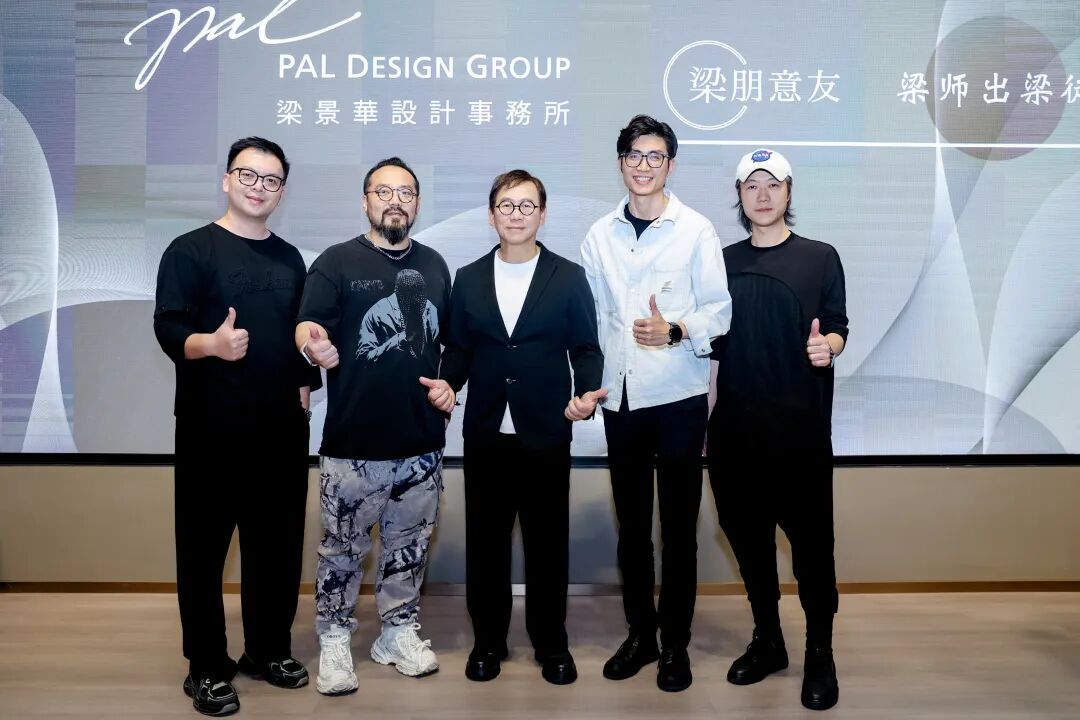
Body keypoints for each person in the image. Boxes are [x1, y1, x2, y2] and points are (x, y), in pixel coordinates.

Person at [154, 136, 318, 716]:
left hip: (281, 429)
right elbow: (168, 328)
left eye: (271, 180)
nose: (259, 187)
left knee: (276, 548)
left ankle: (268, 649)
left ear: (281, 192)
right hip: (211, 428)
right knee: (203, 551)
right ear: (227, 180)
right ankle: (205, 665)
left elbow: (300, 331)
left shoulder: (291, 258)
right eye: (249, 175)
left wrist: (307, 379)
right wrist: (212, 344)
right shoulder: (189, 250)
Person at [430, 170, 604, 685]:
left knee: (547, 543)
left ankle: (552, 643)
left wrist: (585, 393)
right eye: (506, 205)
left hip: (546, 432)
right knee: (486, 544)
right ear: (491, 215)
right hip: (487, 433)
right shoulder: (468, 277)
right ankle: (488, 641)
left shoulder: (568, 277)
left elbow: (586, 349)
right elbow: (459, 348)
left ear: (542, 215)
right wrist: (448, 384)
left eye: (527, 206)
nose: (516, 215)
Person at [580, 115, 731, 692]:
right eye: (634, 156)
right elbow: (593, 322)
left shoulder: (695, 230)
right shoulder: (599, 235)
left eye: (655, 156)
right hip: (620, 400)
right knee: (633, 530)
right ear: (621, 163)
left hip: (677, 398)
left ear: (670, 164)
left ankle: (676, 647)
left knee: (679, 531)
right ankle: (641, 635)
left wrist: (676, 330)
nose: (644, 166)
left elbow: (719, 310)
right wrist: (587, 384)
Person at [295, 157, 451, 696]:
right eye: (383, 192)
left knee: (409, 547)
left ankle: (397, 632)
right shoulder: (336, 262)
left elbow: (449, 344)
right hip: (353, 445)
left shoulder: (435, 266)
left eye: (405, 192)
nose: (395, 201)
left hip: (422, 444)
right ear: (365, 201)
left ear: (417, 203)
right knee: (341, 550)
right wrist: (312, 346)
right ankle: (335, 638)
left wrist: (450, 383)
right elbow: (308, 326)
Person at [706, 148, 848, 711]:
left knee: (812, 550)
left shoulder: (820, 257)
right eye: (751, 185)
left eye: (773, 184)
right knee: (749, 544)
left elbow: (836, 326)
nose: (762, 195)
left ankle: (820, 653)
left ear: (789, 192)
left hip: (798, 435)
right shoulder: (720, 262)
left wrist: (827, 347)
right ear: (740, 197)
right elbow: (713, 347)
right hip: (734, 434)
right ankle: (768, 640)